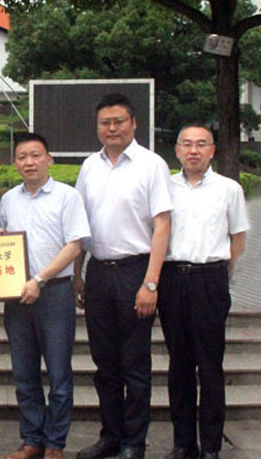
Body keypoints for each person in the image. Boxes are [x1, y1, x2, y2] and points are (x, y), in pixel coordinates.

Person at [73, 93, 173, 459]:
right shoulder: (89, 167)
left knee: (135, 365)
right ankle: (110, 436)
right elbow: (79, 225)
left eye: (119, 121)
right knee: (105, 364)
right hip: (98, 273)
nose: (112, 128)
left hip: (136, 272)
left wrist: (151, 283)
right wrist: (77, 274)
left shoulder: (152, 165)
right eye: (105, 123)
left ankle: (134, 442)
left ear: (133, 123)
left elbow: (163, 225)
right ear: (98, 127)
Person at [0, 133, 91, 459]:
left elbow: (75, 245)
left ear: (48, 159)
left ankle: (55, 444)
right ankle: (31, 440)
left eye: (35, 155)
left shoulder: (67, 197)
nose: (29, 162)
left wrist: (40, 279)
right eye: (22, 157)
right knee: (24, 374)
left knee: (59, 374)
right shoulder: (9, 199)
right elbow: (2, 241)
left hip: (54, 293)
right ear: (15, 163)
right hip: (17, 297)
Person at [159, 124, 248, 459]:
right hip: (172, 280)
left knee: (210, 366)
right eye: (186, 144)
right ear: (177, 150)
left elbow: (237, 238)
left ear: (212, 150)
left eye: (201, 144)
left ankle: (211, 446)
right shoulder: (164, 188)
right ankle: (183, 444)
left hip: (210, 280)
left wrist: (219, 273)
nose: (193, 150)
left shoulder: (229, 189)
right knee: (179, 365)